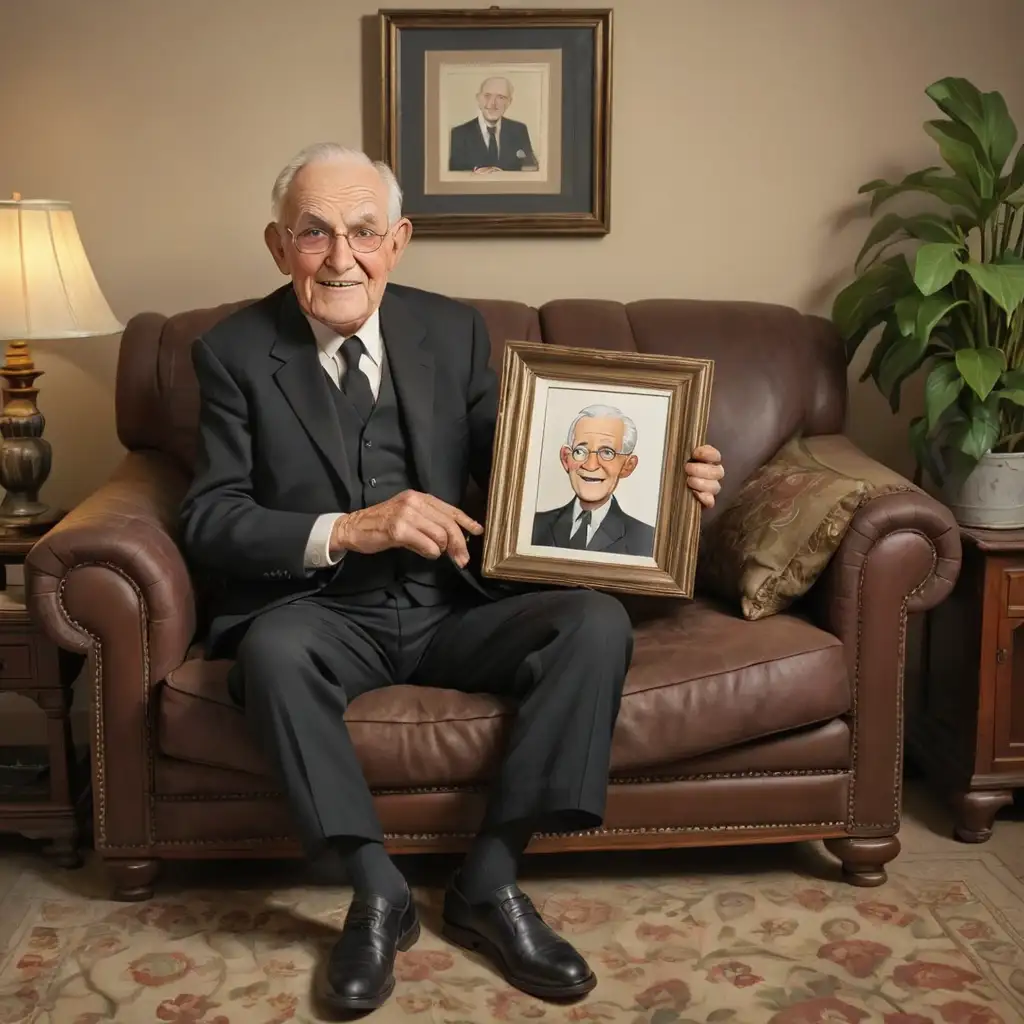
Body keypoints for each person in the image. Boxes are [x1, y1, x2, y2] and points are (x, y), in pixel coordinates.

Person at [179, 142, 724, 1013]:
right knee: (273, 654)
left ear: (398, 240)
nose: (341, 256)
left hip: (451, 603)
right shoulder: (230, 353)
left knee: (590, 626)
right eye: (314, 233)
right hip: (321, 613)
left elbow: (524, 467)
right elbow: (210, 517)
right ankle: (375, 889)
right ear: (280, 246)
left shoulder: (454, 330)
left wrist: (667, 483)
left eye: (362, 232)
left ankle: (491, 881)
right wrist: (353, 528)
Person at [533, 403, 656, 556]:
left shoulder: (647, 540)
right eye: (580, 451)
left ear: (627, 465)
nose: (591, 466)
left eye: (607, 452)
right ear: (566, 458)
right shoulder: (532, 527)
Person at [449, 75, 538, 172]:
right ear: (478, 99)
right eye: (487, 96)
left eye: (501, 97)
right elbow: (452, 173)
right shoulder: (458, 134)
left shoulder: (519, 130)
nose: (493, 103)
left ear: (509, 102)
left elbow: (531, 168)